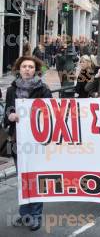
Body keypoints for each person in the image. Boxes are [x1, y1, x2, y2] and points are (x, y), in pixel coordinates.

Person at [3, 56, 52, 231]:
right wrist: (10, 116)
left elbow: (50, 115)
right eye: (24, 66)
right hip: (17, 141)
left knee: (36, 179)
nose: (27, 69)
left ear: (36, 70)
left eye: (31, 67)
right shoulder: (11, 90)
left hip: (37, 143)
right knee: (22, 179)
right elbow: (7, 111)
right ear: (19, 69)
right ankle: (25, 214)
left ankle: (36, 216)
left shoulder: (44, 90)